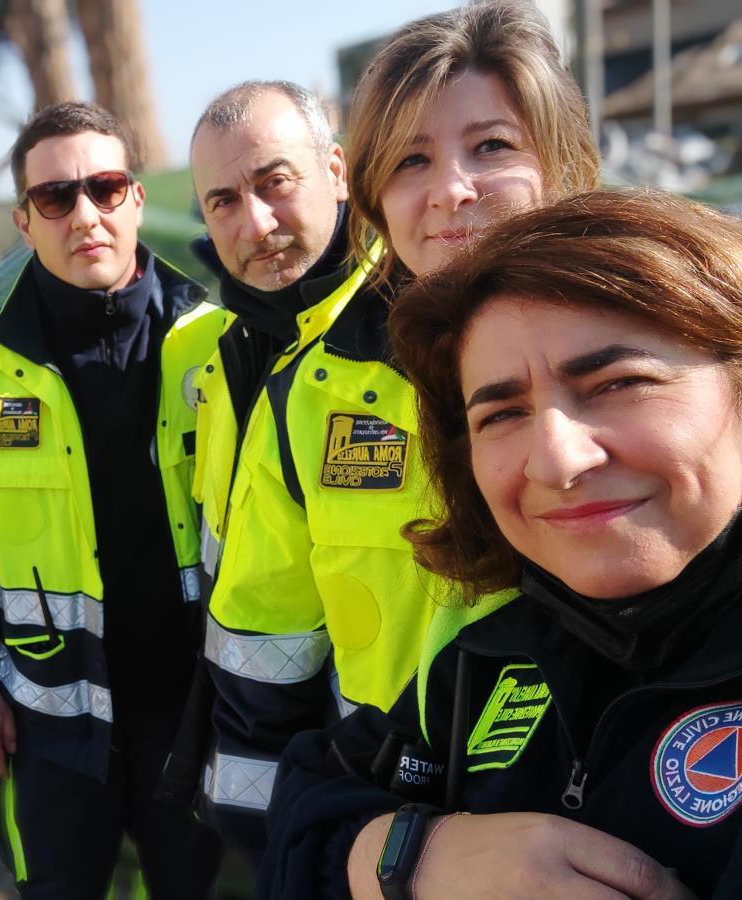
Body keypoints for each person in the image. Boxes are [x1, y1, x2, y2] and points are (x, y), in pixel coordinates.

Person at [184, 0, 600, 866]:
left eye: (492, 145)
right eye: (412, 159)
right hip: (400, 829)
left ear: (561, 155)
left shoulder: (684, 348)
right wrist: (311, 857)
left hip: (641, 817)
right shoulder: (309, 393)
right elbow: (262, 654)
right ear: (376, 191)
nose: (452, 190)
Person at [263, 188, 742, 900]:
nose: (556, 461)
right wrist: (413, 858)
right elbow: (308, 805)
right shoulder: (493, 651)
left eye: (619, 383)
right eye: (502, 413)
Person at [0, 101, 222, 899]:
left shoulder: (217, 343)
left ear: (135, 198)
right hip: (49, 715)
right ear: (23, 221)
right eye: (55, 197)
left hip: (197, 707)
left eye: (104, 188)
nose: (84, 215)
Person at [180, 77, 366, 865]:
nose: (255, 224)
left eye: (274, 182)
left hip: (396, 794)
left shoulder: (413, 340)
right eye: (223, 201)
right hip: (286, 794)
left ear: (337, 171)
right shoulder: (225, 355)